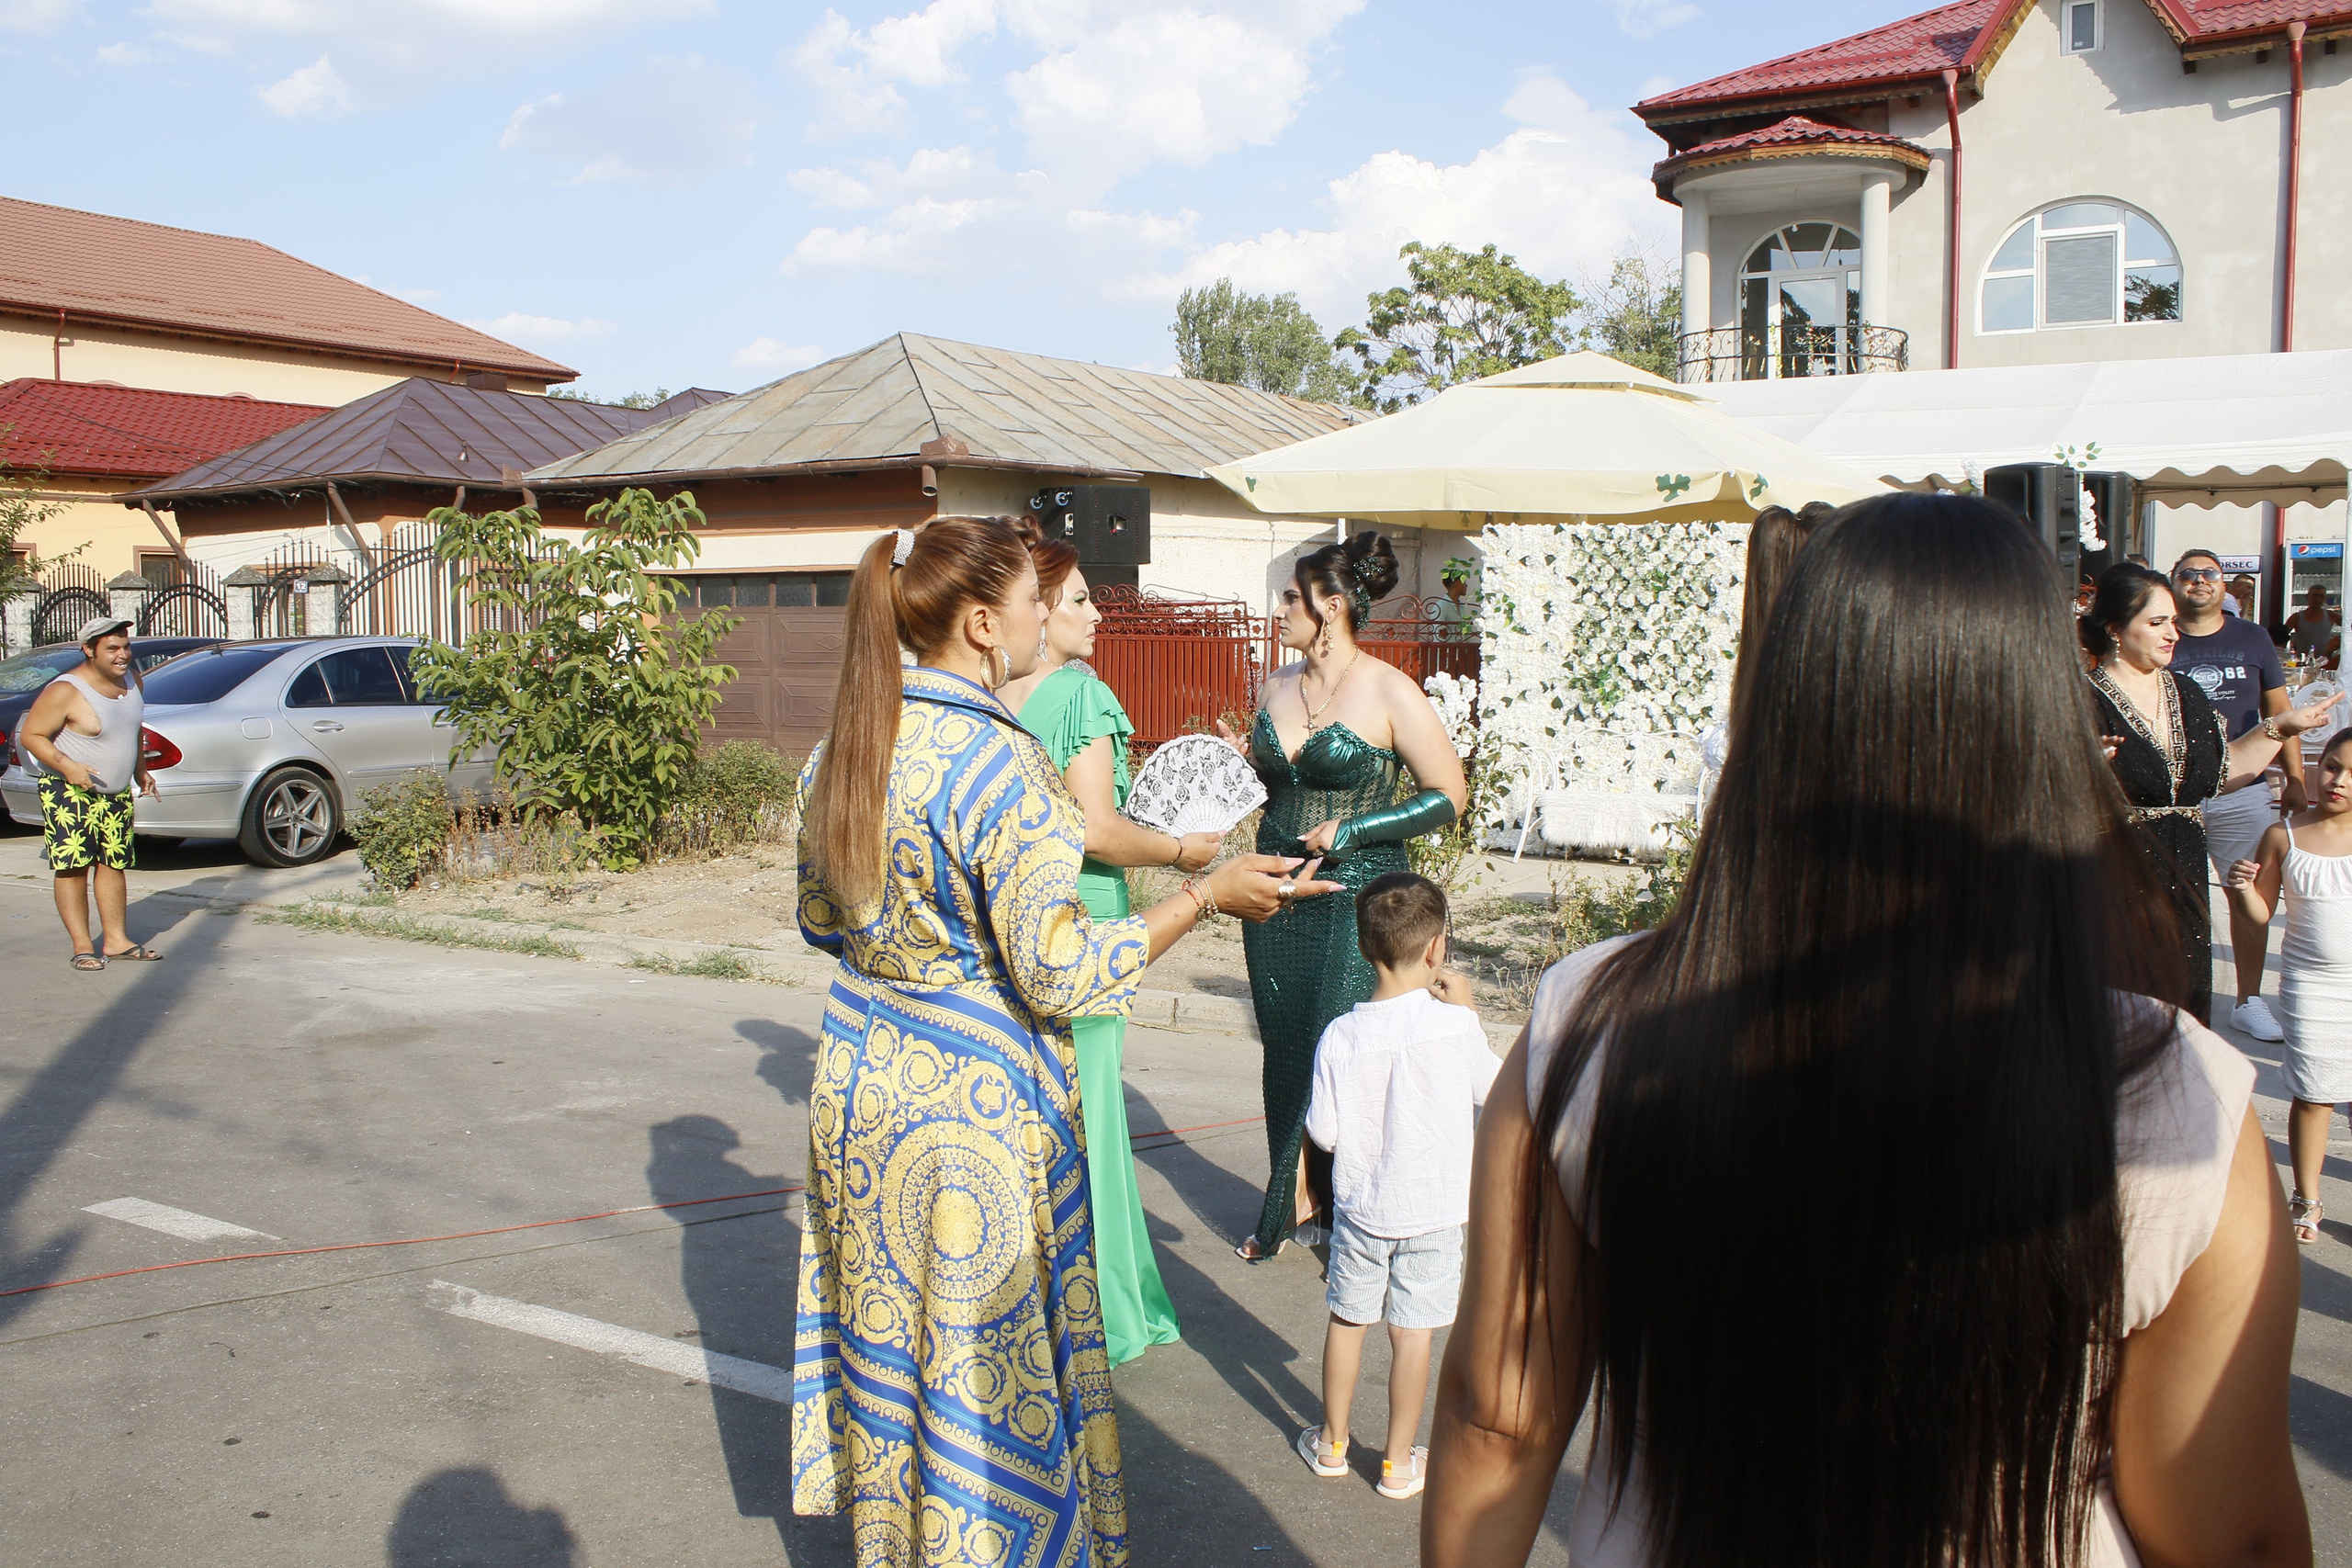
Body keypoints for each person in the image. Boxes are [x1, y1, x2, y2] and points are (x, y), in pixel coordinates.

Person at [1422, 493, 2312, 1568]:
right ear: (2049, 722)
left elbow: (1497, 1419)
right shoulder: (2172, 1096)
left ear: (1784, 704)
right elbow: (2226, 1529)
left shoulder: (1588, 1020)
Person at [790, 515, 1338, 1562]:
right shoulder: (1004, 767)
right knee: (983, 1367)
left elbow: (821, 919)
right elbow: (1062, 969)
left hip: (859, 1083)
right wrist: (1203, 896)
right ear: (988, 626)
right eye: (1040, 601)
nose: (1054, 612)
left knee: (895, 1348)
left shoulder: (844, 744)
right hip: (972, 1107)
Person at [1214, 531, 1469, 1261]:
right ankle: (1299, 1196)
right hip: (1274, 895)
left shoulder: (1390, 688)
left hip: (1355, 897)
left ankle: (1319, 1206)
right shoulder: (1273, 685)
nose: (1280, 608)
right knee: (1287, 1051)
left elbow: (1447, 794)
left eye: (1291, 597)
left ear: (1331, 606)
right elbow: (1271, 786)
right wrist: (1240, 766)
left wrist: (1356, 827)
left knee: (1341, 1052)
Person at [997, 529, 1217, 1366]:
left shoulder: (989, 694)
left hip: (1015, 919)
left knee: (1041, 1117)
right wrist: (1182, 853)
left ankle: (1038, 1301)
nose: (1097, 612)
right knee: (1092, 1118)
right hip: (1085, 919)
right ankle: (1106, 1311)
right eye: (1081, 598)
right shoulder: (1078, 692)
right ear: (1039, 609)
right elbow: (1096, 830)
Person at [1294, 872, 1495, 1502]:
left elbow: (1323, 1132)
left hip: (1362, 1208)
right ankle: (1399, 1462)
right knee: (1413, 1336)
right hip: (1434, 1211)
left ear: (1363, 947)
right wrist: (1467, 1009)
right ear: (1437, 948)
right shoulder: (1456, 1029)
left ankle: (1331, 1443)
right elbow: (1494, 1089)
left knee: (1348, 1319)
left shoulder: (1341, 1036)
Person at [2085, 564, 2331, 1023]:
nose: (2172, 634)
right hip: (2117, 875)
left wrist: (2281, 727)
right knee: (2126, 1014)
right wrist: (2081, 773)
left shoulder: (2186, 692)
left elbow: (2222, 772)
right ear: (2116, 628)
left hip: (2186, 872)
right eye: (2156, 623)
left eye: (2173, 622)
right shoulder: (2082, 699)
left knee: (2186, 1010)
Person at [2165, 548, 2306, 1035]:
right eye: (2189, 574)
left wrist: (2296, 778)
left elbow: (2278, 707)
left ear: (2225, 585)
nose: (2199, 582)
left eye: (2209, 574)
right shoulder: (2161, 637)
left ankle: (2248, 999)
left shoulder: (2252, 637)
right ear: (2174, 583)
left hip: (2243, 793)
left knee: (2248, 891)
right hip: (2174, 794)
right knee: (2168, 898)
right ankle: (2172, 999)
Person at [2224, 725, 2352, 1245]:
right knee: (2315, 1094)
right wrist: (2240, 890)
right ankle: (2307, 1196)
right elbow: (2261, 913)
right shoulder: (2285, 833)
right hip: (2311, 988)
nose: (2339, 780)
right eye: (2333, 766)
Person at [17, 616, 164, 970]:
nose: (122, 655)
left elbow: (131, 729)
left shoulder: (133, 681)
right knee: (73, 867)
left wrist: (140, 770)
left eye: (125, 647)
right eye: (112, 648)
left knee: (114, 863)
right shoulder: (65, 690)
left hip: (115, 793)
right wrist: (68, 766)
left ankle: (116, 940)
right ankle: (83, 946)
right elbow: (31, 735)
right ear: (88, 650)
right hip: (68, 792)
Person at [2288, 582, 2340, 667]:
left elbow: (2349, 627)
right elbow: (2281, 636)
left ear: (2325, 599)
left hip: (2325, 663)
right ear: (2307, 597)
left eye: (2321, 596)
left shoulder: (2332, 615)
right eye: (2315, 595)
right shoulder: (2296, 617)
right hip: (2302, 664)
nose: (2317, 599)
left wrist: (2338, 642)